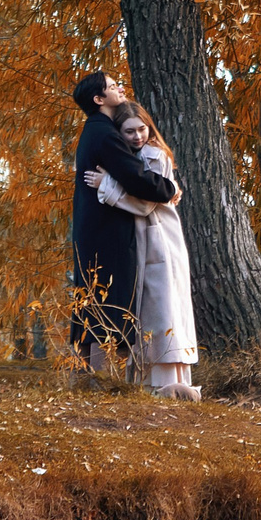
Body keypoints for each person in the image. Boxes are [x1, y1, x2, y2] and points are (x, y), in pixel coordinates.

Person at [69, 72, 178, 381]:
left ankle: (85, 379)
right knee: (108, 300)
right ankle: (100, 381)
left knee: (93, 300)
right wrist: (168, 189)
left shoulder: (95, 130)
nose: (119, 88)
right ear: (99, 100)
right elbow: (135, 178)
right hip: (107, 232)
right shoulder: (104, 134)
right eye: (112, 86)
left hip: (94, 229)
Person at [94, 102, 201, 400]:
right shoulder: (136, 155)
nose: (137, 136)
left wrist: (108, 187)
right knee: (153, 309)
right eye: (129, 131)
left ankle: (165, 384)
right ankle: (156, 383)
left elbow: (145, 202)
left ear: (149, 127)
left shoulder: (153, 154)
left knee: (161, 307)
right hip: (150, 239)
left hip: (159, 239)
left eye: (142, 129)